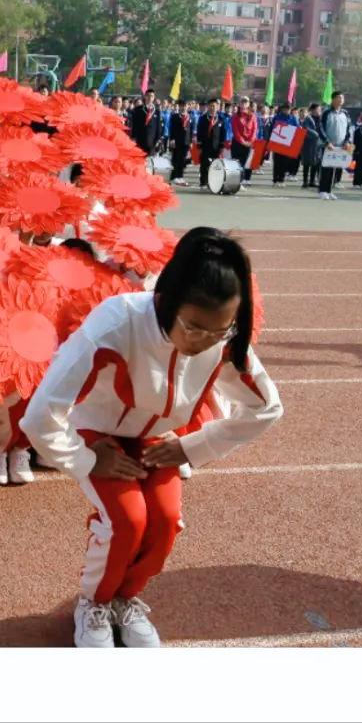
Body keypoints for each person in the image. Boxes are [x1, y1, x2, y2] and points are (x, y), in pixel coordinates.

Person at [21, 227, 282, 648]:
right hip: (97, 435)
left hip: (158, 438)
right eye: (195, 328)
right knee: (127, 521)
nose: (206, 342)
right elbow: (40, 414)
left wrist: (190, 446)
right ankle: (94, 603)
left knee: (164, 524)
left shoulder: (221, 339)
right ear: (166, 299)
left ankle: (126, 599)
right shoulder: (116, 321)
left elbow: (266, 407)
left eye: (221, 330)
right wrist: (87, 459)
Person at [318, 91, 351, 201]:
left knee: (335, 170)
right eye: (338, 98)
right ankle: (322, 190)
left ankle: (330, 190)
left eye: (342, 98)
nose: (340, 100)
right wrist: (327, 142)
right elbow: (320, 128)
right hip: (328, 146)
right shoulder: (326, 112)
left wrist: (347, 141)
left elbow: (348, 129)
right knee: (326, 168)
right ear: (332, 99)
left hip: (340, 146)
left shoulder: (345, 113)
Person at [195, 98, 224, 192]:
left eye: (214, 106)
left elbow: (223, 133)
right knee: (204, 165)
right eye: (211, 106)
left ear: (218, 107)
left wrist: (222, 146)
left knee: (215, 166)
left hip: (216, 146)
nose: (212, 108)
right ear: (208, 107)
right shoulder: (203, 118)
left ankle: (213, 183)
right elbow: (199, 131)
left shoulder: (221, 119)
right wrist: (199, 144)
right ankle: (203, 182)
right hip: (205, 145)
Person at [230, 96, 258, 183]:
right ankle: (235, 181)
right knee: (236, 164)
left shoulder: (252, 116)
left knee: (244, 163)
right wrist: (243, 142)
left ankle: (240, 181)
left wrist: (250, 141)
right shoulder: (235, 116)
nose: (244, 104)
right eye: (242, 102)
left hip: (248, 144)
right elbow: (236, 131)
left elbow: (254, 130)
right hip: (237, 143)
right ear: (239, 104)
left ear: (248, 104)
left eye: (246, 102)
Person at [168, 100, 190, 182]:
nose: (183, 107)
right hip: (177, 141)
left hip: (186, 141)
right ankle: (174, 176)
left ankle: (180, 176)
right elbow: (172, 129)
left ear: (187, 107)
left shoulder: (189, 116)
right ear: (179, 107)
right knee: (176, 159)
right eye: (182, 106)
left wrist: (190, 141)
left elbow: (189, 131)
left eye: (185, 106)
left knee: (183, 160)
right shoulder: (175, 116)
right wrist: (172, 139)